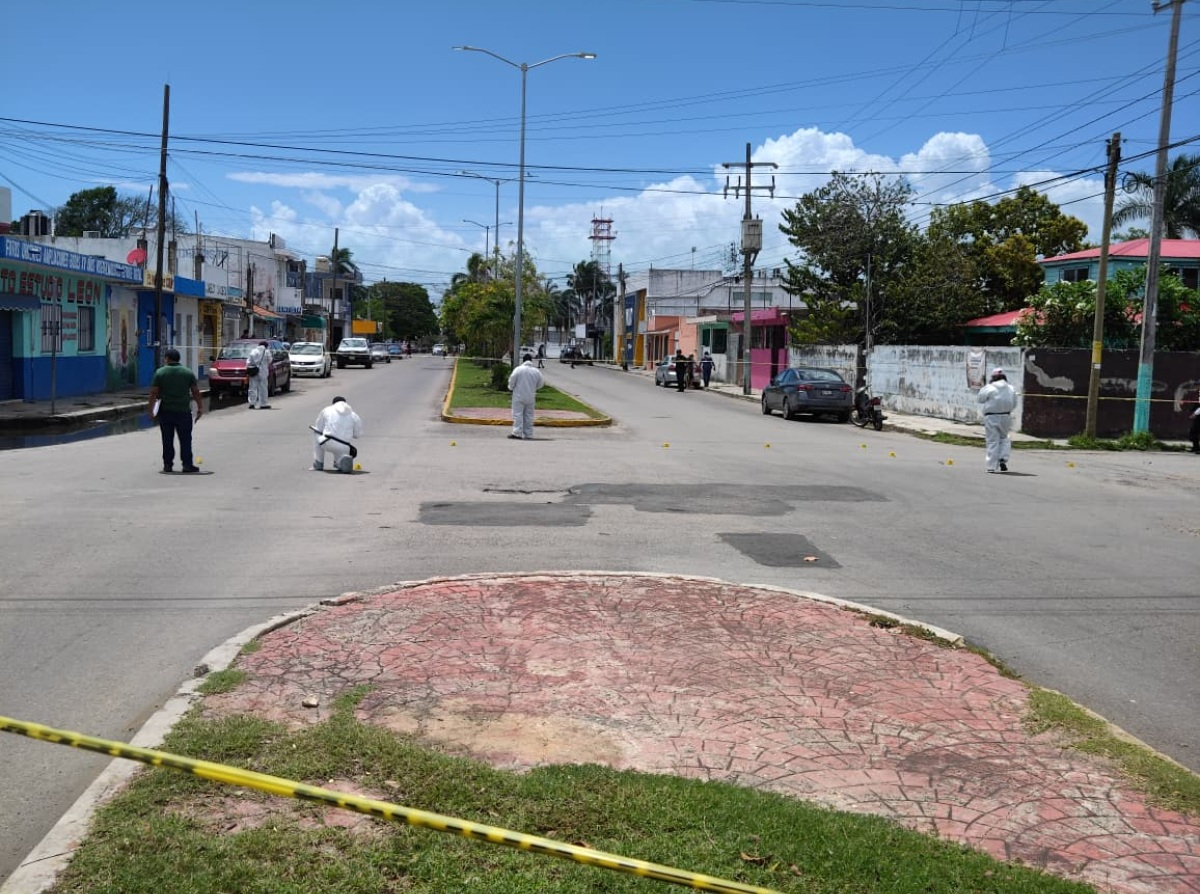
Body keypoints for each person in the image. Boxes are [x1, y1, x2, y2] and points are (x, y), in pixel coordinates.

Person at [148, 348, 204, 473]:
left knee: (167, 439)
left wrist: (151, 410)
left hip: (165, 412)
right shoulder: (188, 372)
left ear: (167, 358)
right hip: (183, 411)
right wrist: (200, 408)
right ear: (179, 359)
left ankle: (168, 465)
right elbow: (195, 392)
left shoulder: (160, 373)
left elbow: (153, 393)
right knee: (185, 439)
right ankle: (187, 464)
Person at [977, 367, 1017, 473]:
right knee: (1004, 438)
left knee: (992, 441)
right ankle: (1003, 458)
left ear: (993, 377)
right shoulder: (1011, 388)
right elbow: (1014, 403)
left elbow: (980, 399)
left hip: (991, 416)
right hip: (1006, 416)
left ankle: (991, 466)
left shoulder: (989, 387)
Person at [311, 396, 363, 472]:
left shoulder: (326, 410)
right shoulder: (354, 415)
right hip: (344, 446)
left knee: (316, 432)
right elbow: (357, 435)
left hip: (327, 442)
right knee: (341, 454)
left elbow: (319, 428)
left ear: (333, 404)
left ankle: (318, 463)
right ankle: (340, 463)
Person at [507, 353, 544, 440]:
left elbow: (512, 380)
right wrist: (534, 388)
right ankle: (528, 434)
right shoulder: (536, 371)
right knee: (529, 415)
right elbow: (541, 383)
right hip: (531, 396)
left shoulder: (518, 369)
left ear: (523, 360)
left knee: (518, 414)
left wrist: (511, 387)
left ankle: (517, 433)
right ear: (531, 360)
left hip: (519, 395)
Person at [246, 340, 272, 409]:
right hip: (263, 372)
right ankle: (263, 404)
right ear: (266, 346)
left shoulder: (253, 351)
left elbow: (248, 362)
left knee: (252, 387)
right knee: (263, 388)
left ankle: (252, 403)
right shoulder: (267, 352)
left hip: (253, 371)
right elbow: (270, 361)